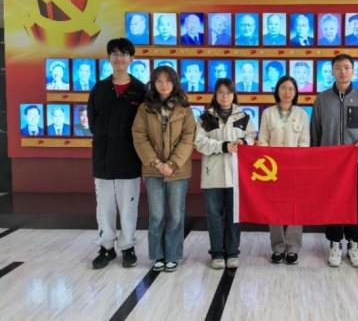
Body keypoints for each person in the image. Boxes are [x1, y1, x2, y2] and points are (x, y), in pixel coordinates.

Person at [311, 53, 358, 268]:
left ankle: (354, 242)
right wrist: (315, 160)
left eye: (347, 67)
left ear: (353, 71)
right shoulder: (322, 99)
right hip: (329, 163)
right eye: (338, 67)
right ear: (332, 71)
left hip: (354, 162)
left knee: (354, 203)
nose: (343, 71)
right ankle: (335, 242)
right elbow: (315, 131)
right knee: (332, 202)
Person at [87, 38, 147, 270]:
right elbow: (93, 121)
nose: (119, 58)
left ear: (132, 59)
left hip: (129, 159)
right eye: (115, 54)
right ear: (109, 58)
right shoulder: (100, 89)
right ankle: (106, 247)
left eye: (124, 54)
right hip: (102, 158)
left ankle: (128, 247)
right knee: (104, 206)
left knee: (128, 206)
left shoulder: (140, 90)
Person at [132, 65, 196, 273]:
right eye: (159, 80)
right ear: (153, 83)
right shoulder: (145, 108)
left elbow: (188, 138)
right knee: (157, 214)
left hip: (178, 170)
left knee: (176, 215)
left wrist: (172, 164)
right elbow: (139, 137)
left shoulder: (184, 108)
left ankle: (173, 255)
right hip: (153, 170)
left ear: (175, 83)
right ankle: (157, 255)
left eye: (168, 80)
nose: (164, 85)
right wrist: (156, 163)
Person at [194, 78, 256, 270]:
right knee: (214, 215)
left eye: (228, 92)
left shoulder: (243, 116)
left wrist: (244, 143)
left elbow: (252, 136)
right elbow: (199, 143)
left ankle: (232, 252)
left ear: (233, 94)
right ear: (215, 94)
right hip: (212, 173)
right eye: (221, 92)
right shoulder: (206, 117)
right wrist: (222, 146)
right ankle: (217, 253)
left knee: (233, 215)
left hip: (236, 174)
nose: (224, 96)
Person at [258, 76, 310, 265]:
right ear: (277, 90)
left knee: (296, 208)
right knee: (274, 208)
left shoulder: (302, 114)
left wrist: (294, 160)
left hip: (295, 169)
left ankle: (293, 248)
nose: (287, 92)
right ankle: (278, 248)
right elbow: (262, 141)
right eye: (283, 88)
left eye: (290, 89)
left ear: (295, 92)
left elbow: (305, 142)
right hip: (272, 170)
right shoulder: (268, 113)